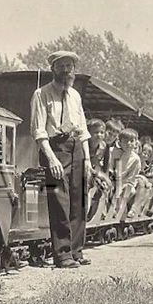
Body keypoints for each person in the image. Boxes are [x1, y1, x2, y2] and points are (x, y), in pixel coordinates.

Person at [30, 51, 92, 268]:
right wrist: (51, 159)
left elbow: (83, 129)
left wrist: (87, 160)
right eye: (62, 66)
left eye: (69, 66)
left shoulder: (75, 95)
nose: (66, 70)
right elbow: (38, 131)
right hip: (54, 148)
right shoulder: (41, 94)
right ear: (53, 69)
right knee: (58, 201)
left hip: (76, 148)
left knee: (79, 200)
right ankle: (62, 254)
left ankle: (77, 251)